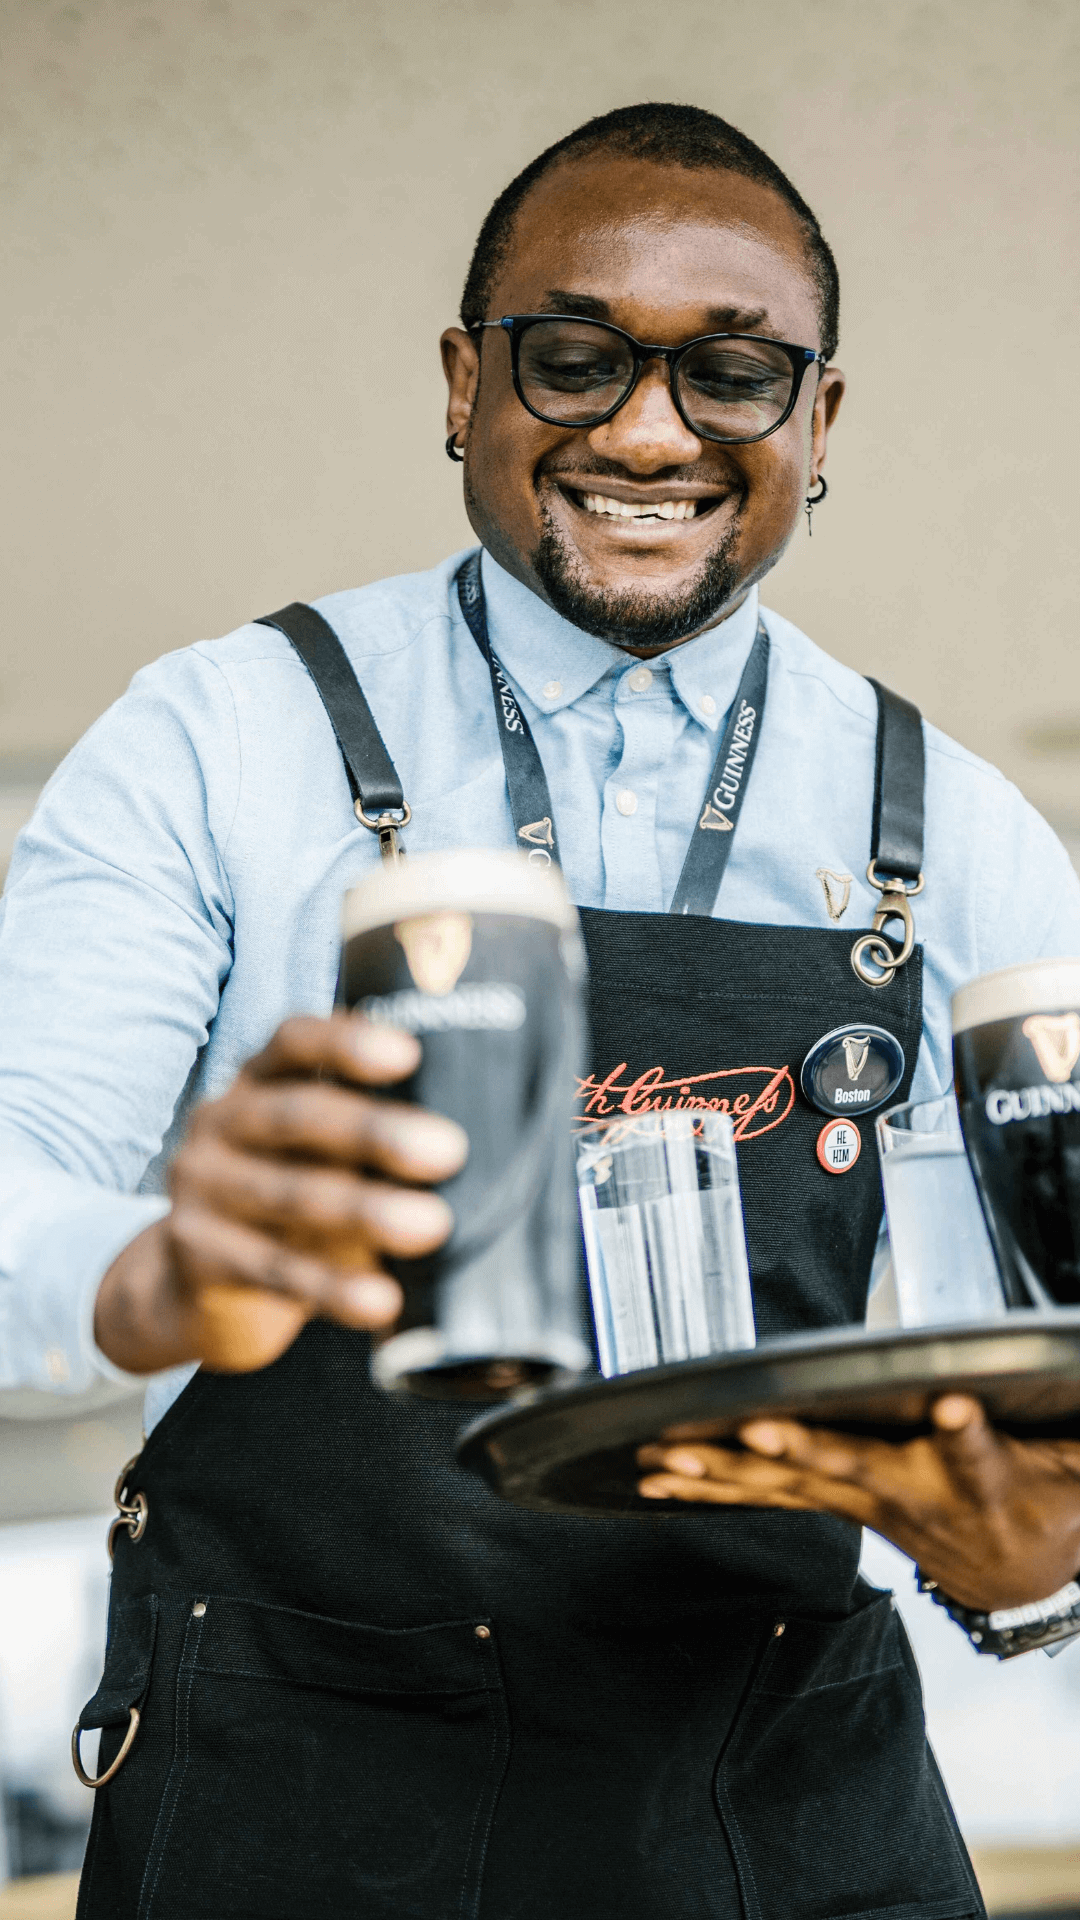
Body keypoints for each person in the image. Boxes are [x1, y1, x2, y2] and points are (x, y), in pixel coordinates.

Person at [3, 101, 1079, 1920]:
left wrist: (1036, 1564)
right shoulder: (217, 739)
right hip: (289, 1792)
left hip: (777, 1814)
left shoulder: (957, 826)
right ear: (463, 384)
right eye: (572, 360)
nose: (647, 432)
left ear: (818, 426)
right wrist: (157, 1275)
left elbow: (1034, 1353)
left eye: (732, 375)